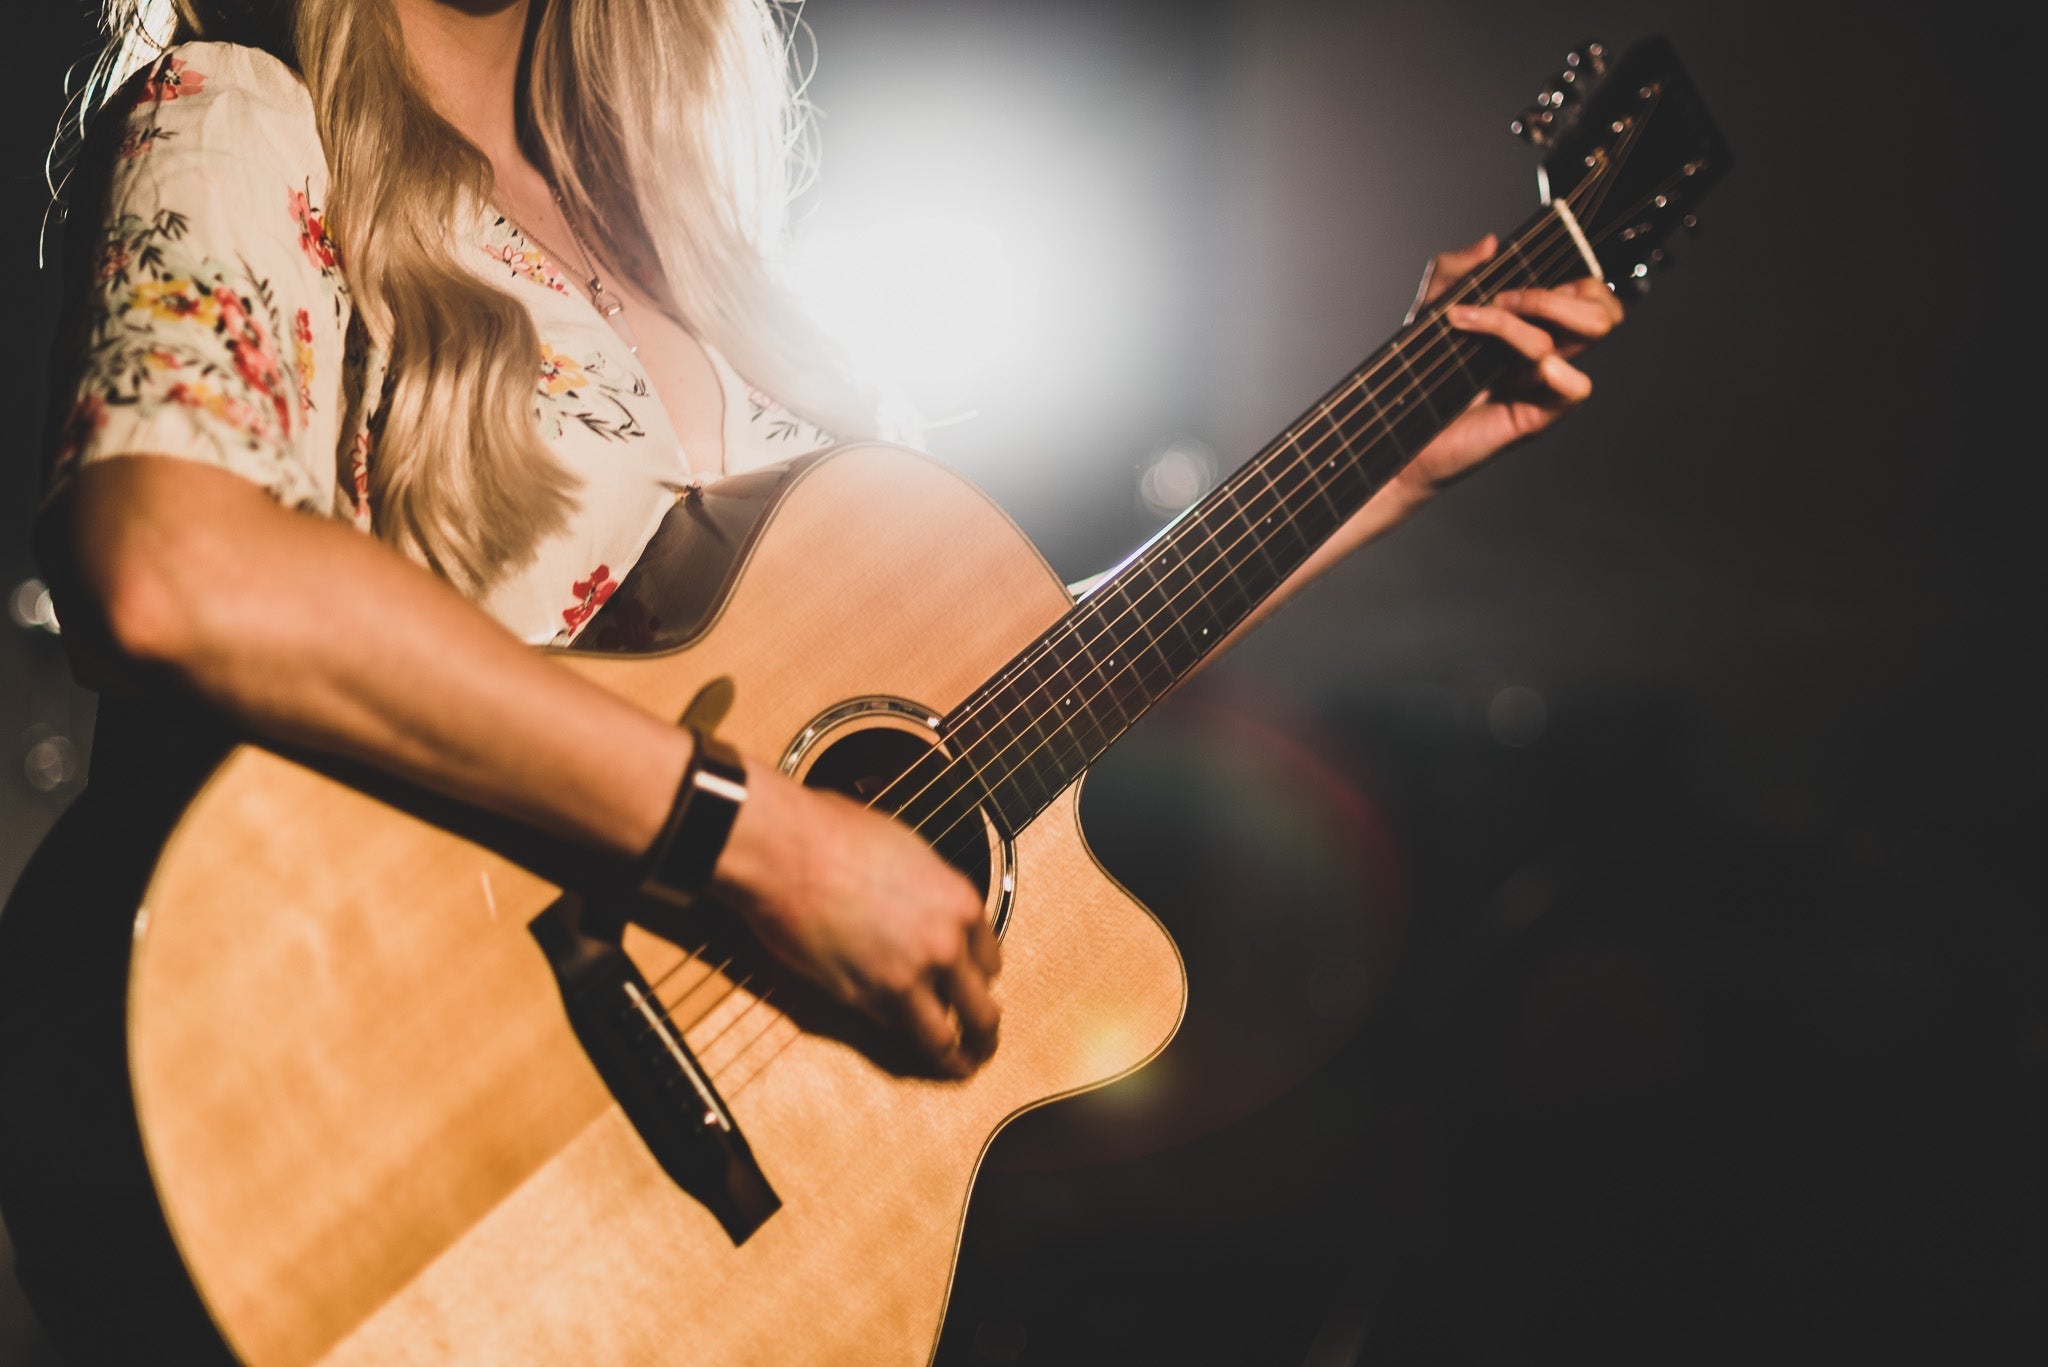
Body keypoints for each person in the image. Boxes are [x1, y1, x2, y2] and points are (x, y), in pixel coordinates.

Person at [35, 0, 1620, 1086]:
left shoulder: (699, 253)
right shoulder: (244, 115)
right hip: (390, 1088)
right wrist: (767, 845)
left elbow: (948, 713)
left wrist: (1378, 469)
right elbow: (170, 563)